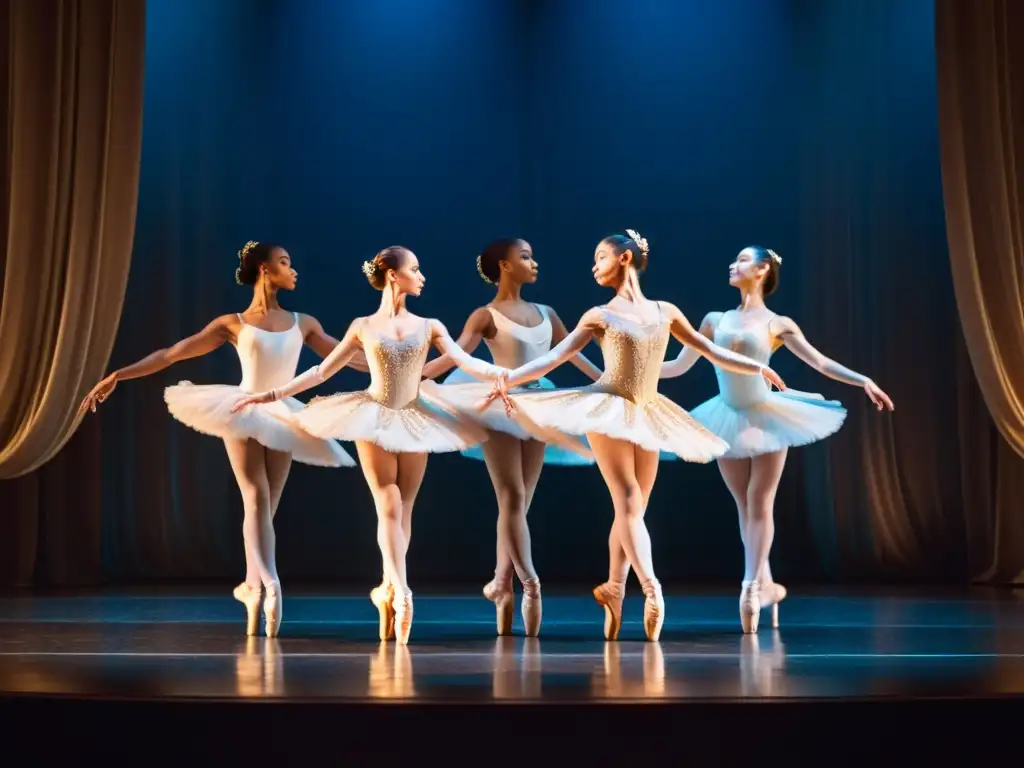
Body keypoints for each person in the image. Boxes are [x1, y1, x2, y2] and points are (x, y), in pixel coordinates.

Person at [479, 231, 785, 641]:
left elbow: (711, 351)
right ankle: (651, 587)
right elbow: (556, 356)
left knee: (633, 509)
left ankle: (616, 588)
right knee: (627, 501)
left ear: (625, 259)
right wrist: (509, 379)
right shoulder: (598, 315)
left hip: (648, 412)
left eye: (600, 256)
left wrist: (757, 368)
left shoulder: (666, 312)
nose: (594, 265)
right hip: (607, 409)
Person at [79, 241, 363, 638]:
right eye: (285, 262)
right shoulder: (232, 323)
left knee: (266, 507)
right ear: (264, 269)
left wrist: (408, 370)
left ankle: (251, 586)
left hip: (284, 412)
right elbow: (172, 354)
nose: (293, 270)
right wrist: (117, 376)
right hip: (243, 406)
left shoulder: (305, 322)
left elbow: (347, 359)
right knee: (255, 496)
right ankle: (272, 583)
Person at [231, 246, 514, 645]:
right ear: (394, 276)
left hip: (416, 417)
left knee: (402, 509)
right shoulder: (363, 325)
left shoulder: (429, 324)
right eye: (415, 269)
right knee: (389, 503)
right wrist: (272, 393)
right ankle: (402, 590)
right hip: (375, 416)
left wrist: (501, 373)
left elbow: (463, 360)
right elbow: (321, 371)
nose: (422, 276)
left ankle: (391, 588)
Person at [660, 245, 894, 632]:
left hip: (766, 416)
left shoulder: (777, 324)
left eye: (742, 260)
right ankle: (765, 584)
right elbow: (679, 365)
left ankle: (750, 588)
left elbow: (819, 362)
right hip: (725, 414)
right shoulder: (714, 320)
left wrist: (862, 379)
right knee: (743, 504)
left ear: (763, 269)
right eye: (732, 259)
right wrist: (626, 373)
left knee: (760, 501)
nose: (732, 265)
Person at [418, 238, 600, 637]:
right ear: (504, 265)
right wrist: (415, 375)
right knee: (512, 497)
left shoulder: (547, 314)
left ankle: (502, 584)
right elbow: (457, 354)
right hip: (497, 404)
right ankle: (530, 584)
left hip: (535, 404)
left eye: (533, 256)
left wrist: (608, 382)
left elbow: (572, 352)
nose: (534, 263)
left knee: (520, 503)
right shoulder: (485, 315)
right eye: (525, 257)